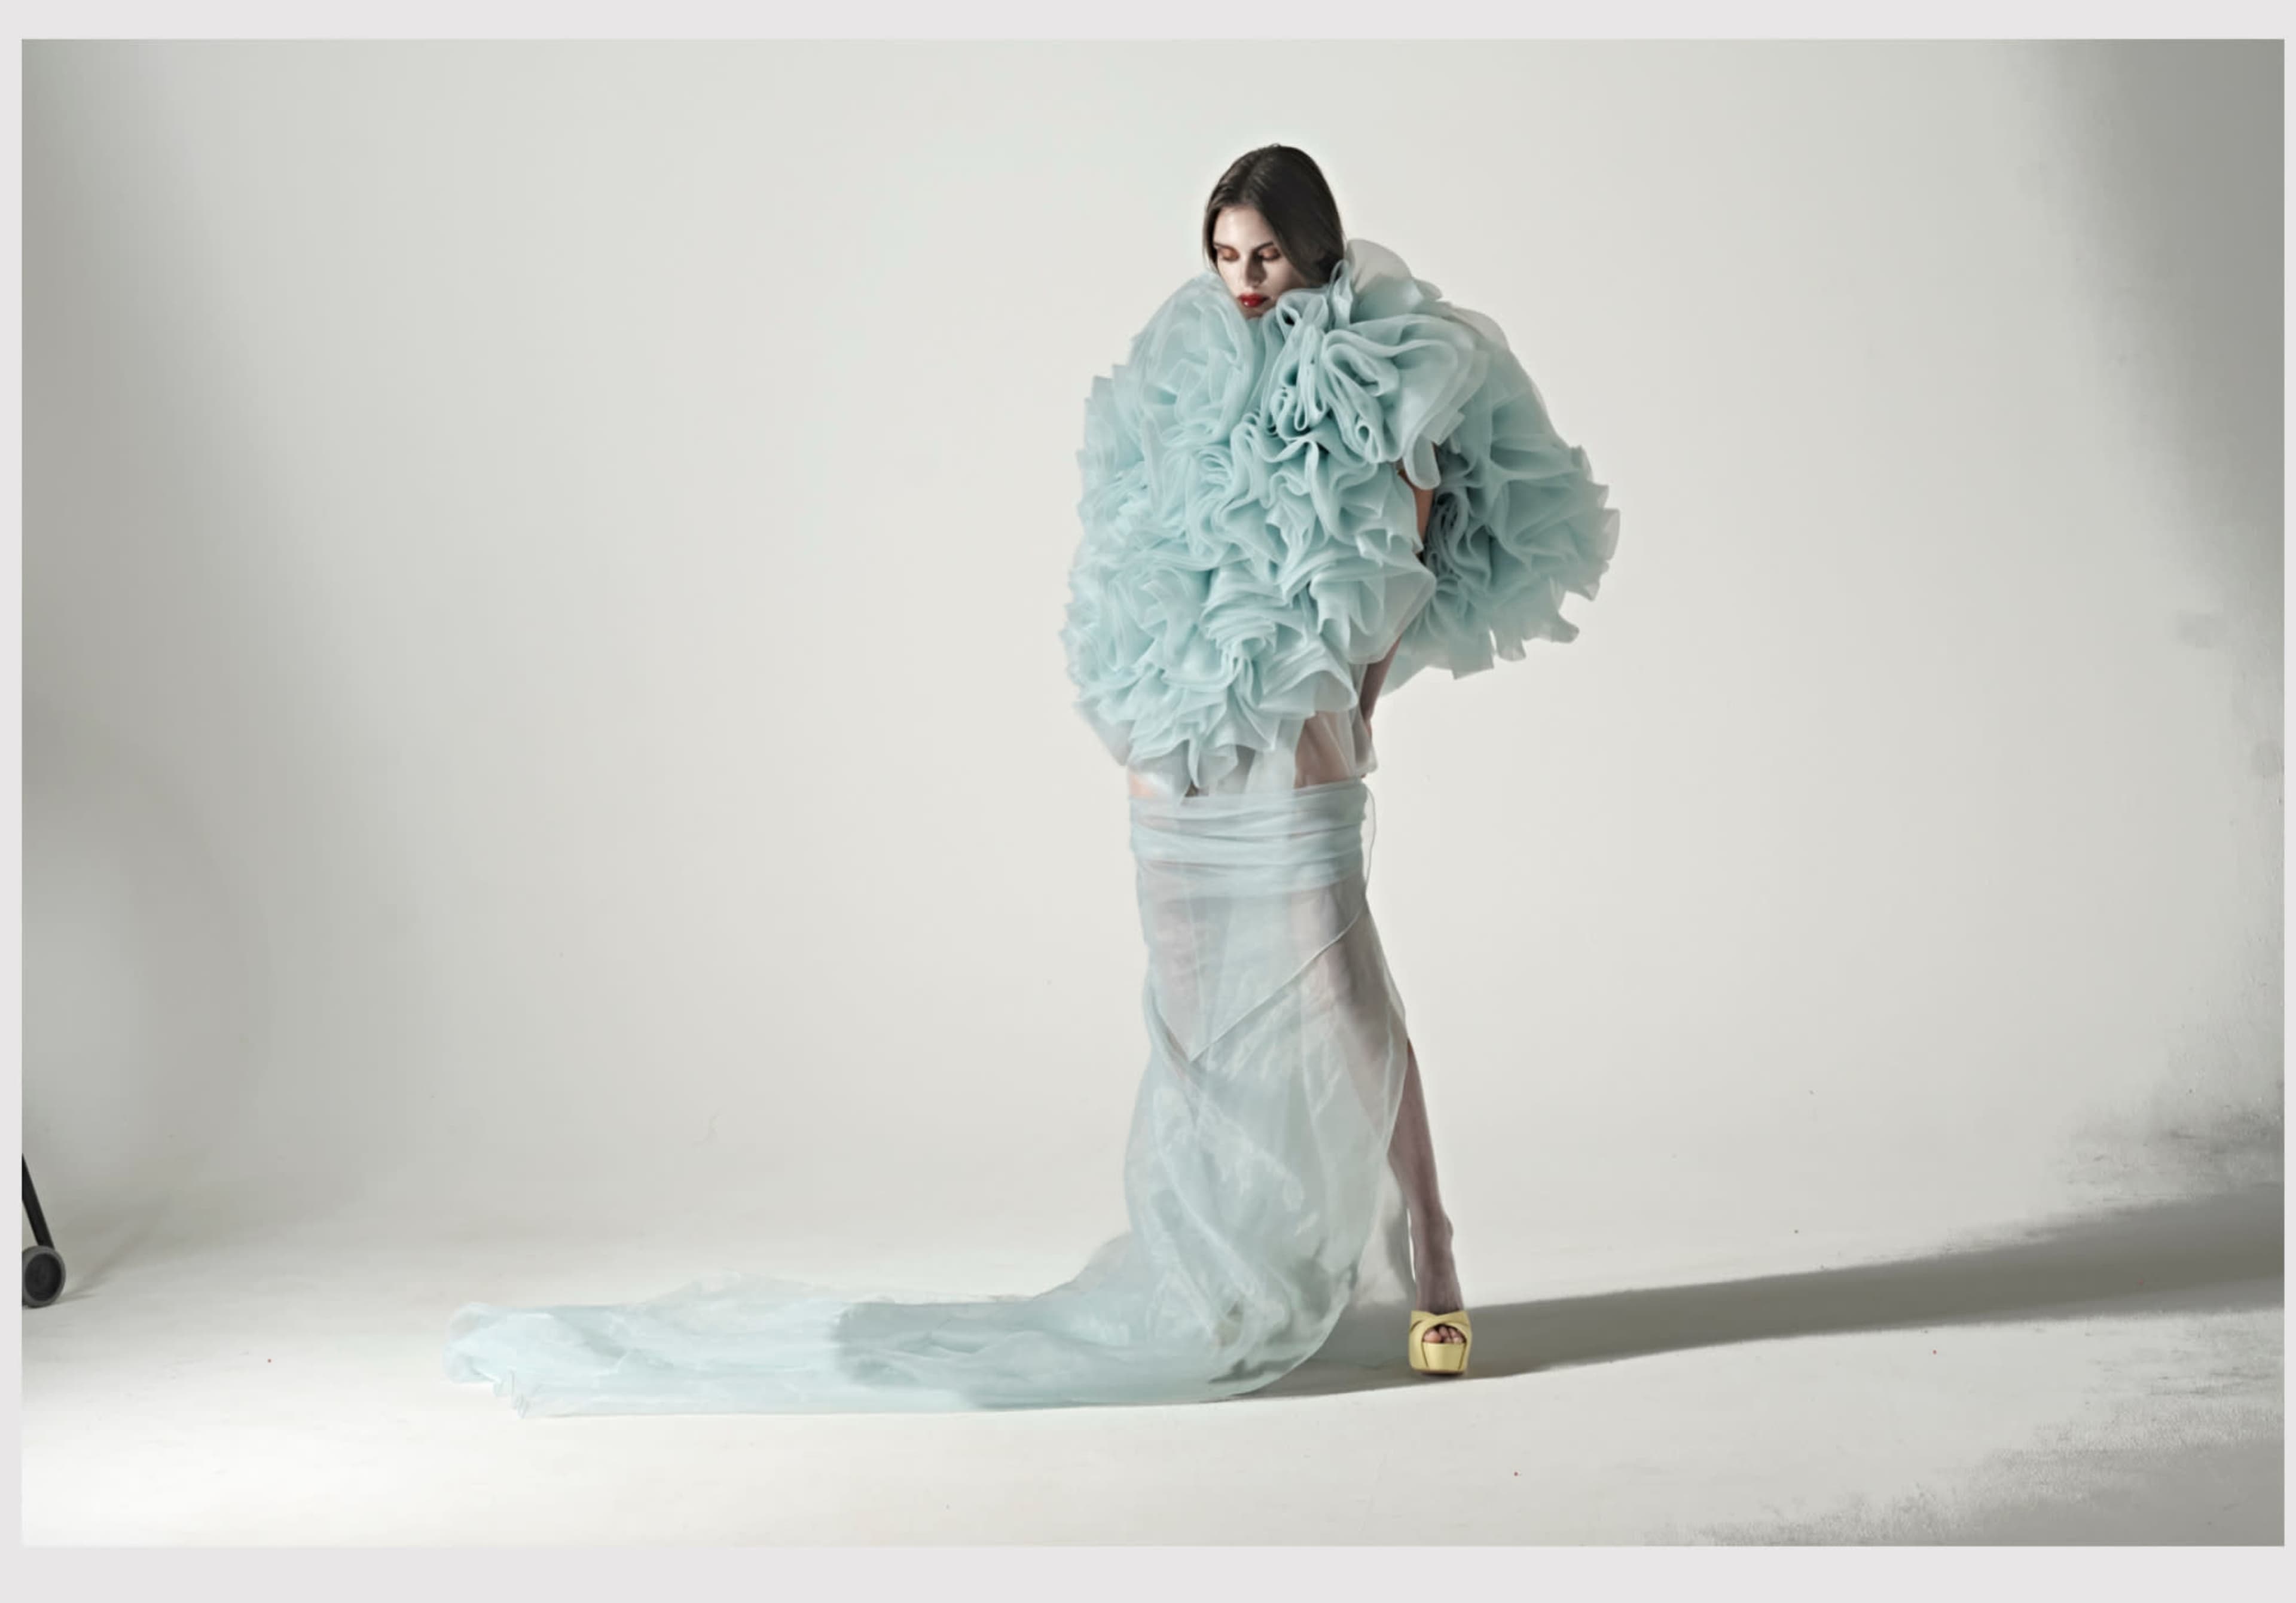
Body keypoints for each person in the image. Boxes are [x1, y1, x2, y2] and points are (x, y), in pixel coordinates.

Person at [441, 144, 1618, 1416]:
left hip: (1300, 734)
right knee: (1191, 1009)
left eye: (1266, 256)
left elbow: (1408, 556)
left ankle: (1430, 1259)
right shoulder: (1186, 364)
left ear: (1319, 249)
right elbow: (1136, 545)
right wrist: (1142, 723)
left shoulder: (1387, 362)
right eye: (1224, 255)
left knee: (1340, 994)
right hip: (1178, 736)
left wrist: (1357, 707)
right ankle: (1215, 1267)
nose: (1242, 282)